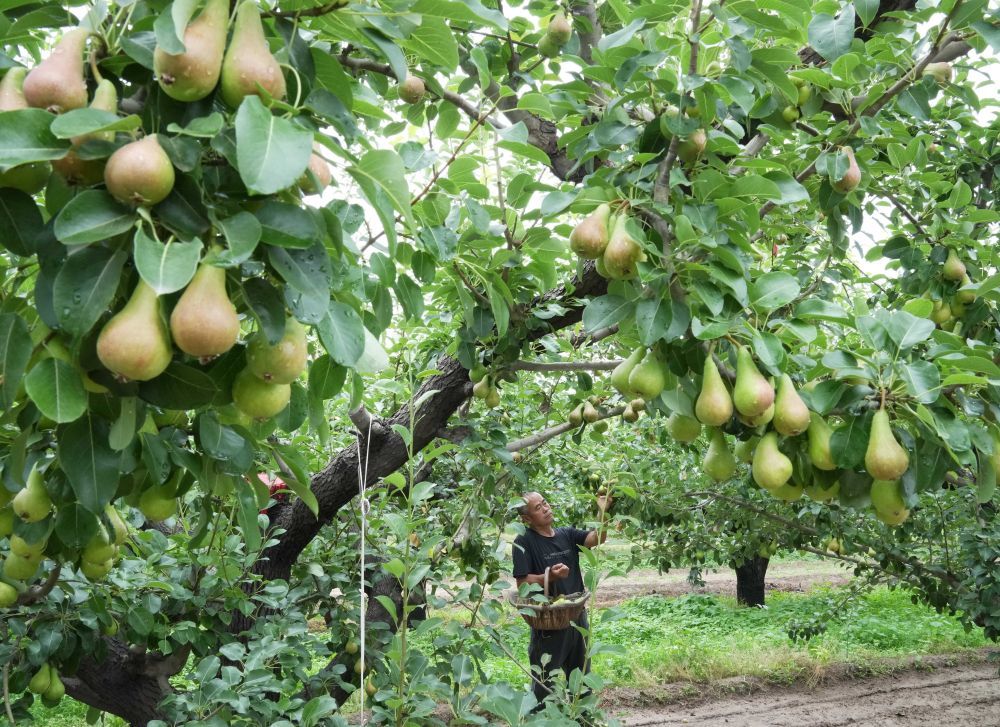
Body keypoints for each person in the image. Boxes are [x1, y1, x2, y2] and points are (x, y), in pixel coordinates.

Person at [511, 490, 612, 706]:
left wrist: (602, 512)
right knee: (545, 681)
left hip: (576, 616)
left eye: (545, 503)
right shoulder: (524, 542)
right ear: (527, 518)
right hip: (549, 621)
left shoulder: (566, 534)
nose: (545, 508)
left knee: (581, 676)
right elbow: (522, 583)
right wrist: (549, 575)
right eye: (538, 508)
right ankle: (544, 718)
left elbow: (597, 539)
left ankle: (582, 717)